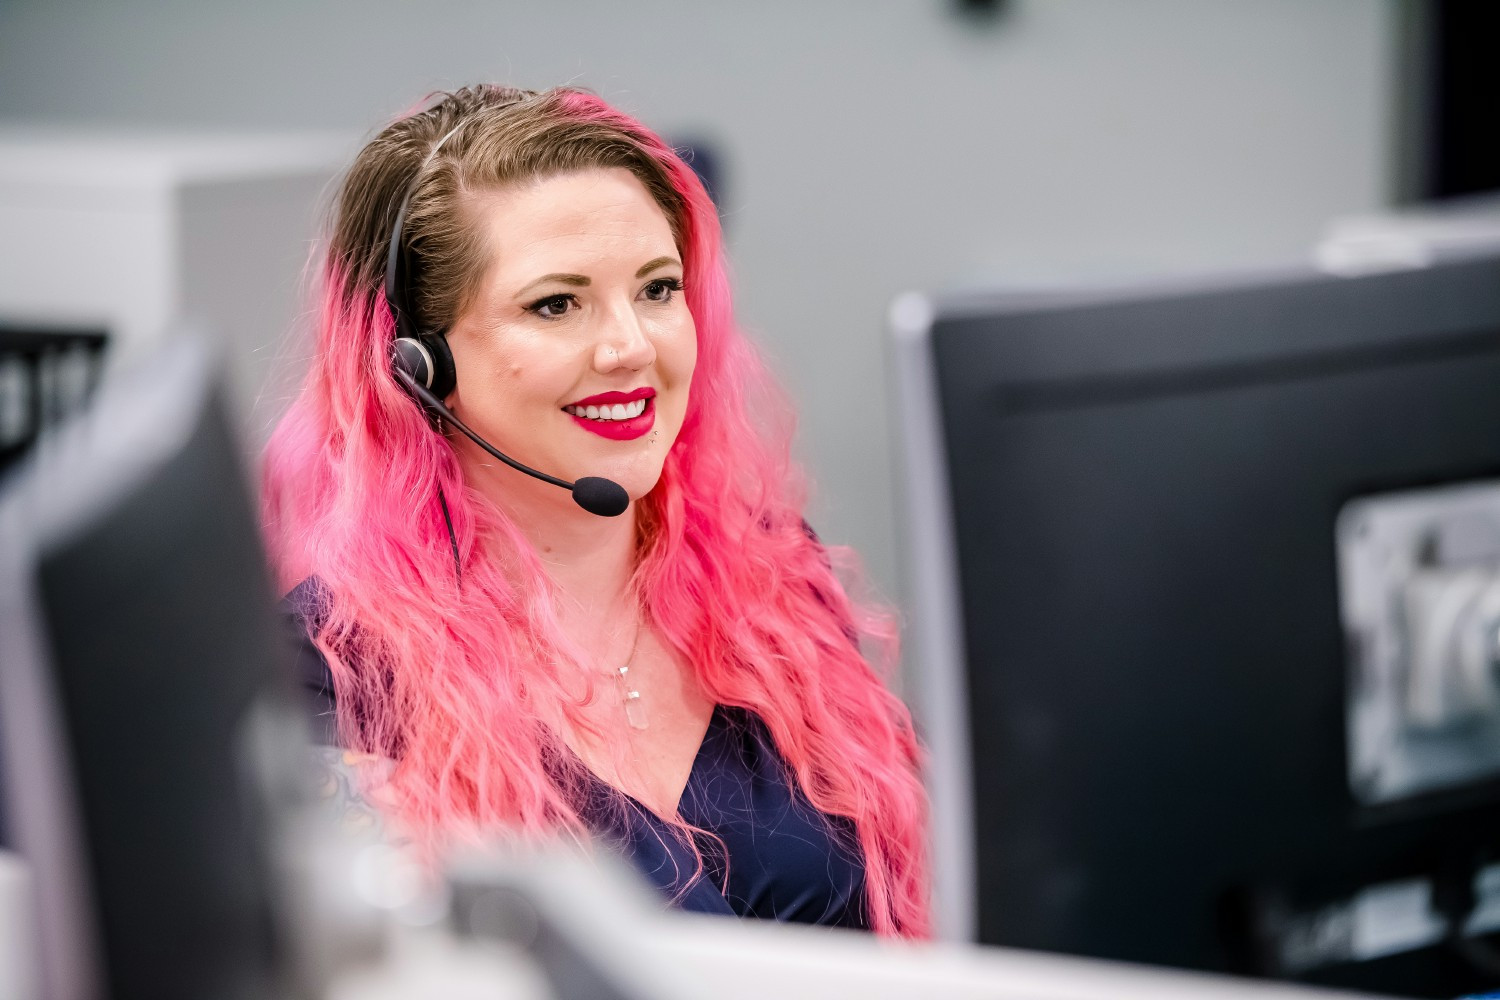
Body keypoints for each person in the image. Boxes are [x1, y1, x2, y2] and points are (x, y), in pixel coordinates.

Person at [262, 85, 930, 936]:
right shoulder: (337, 669)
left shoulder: (770, 583)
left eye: (657, 290)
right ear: (416, 364)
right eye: (556, 304)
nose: (630, 347)